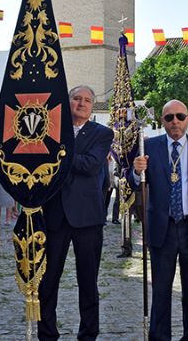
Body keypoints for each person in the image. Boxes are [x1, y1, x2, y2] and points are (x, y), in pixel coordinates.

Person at [133, 100, 188, 340]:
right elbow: (133, 184)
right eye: (169, 117)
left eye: (180, 116)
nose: (175, 122)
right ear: (162, 121)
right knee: (161, 290)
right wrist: (136, 171)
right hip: (163, 228)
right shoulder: (148, 147)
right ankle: (160, 336)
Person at [38, 85, 114, 341]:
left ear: (93, 106)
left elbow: (92, 166)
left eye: (87, 100)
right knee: (48, 280)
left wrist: (59, 154)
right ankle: (47, 333)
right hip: (55, 215)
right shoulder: (51, 129)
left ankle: (88, 334)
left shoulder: (103, 133)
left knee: (88, 281)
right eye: (76, 98)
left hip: (88, 217)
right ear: (67, 101)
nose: (81, 103)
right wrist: (66, 156)